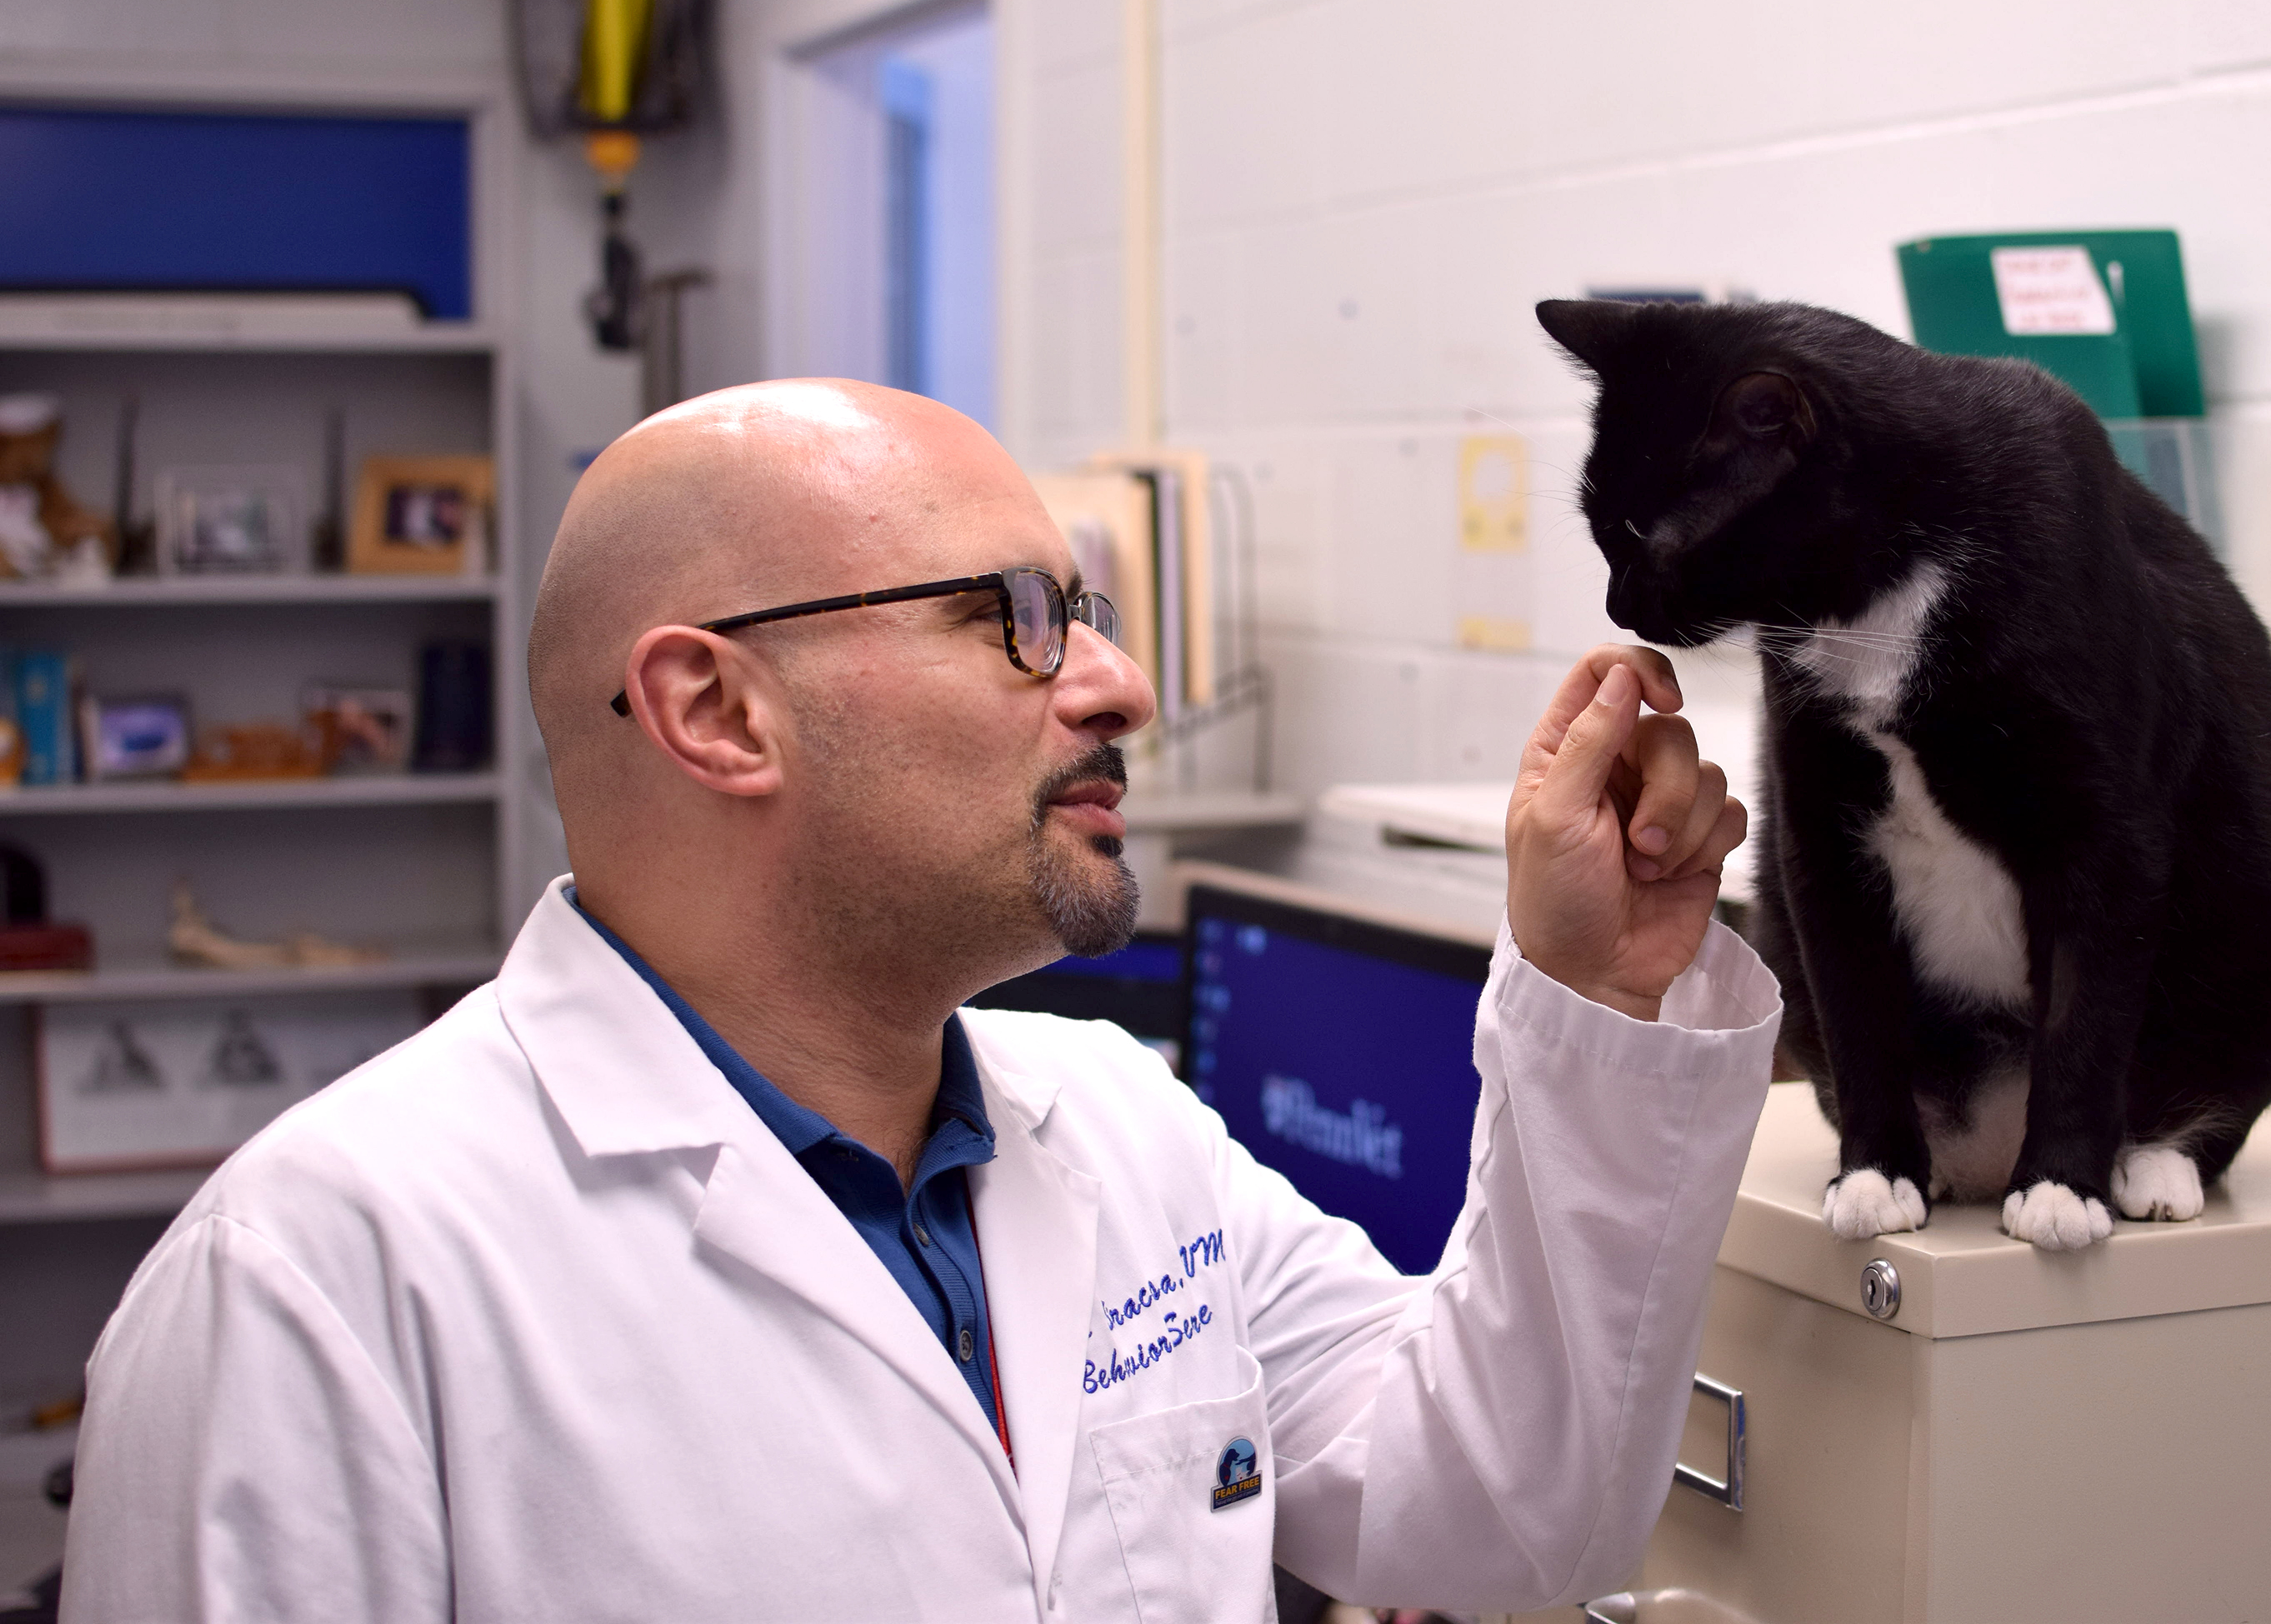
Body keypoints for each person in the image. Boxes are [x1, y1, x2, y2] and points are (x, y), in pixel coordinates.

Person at [62, 380, 1778, 1622]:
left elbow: (1506, 1509)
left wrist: (1595, 996)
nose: (1118, 684)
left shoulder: (1114, 1124)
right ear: (719, 712)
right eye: (1016, 619)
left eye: (1086, 610)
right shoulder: (322, 1281)